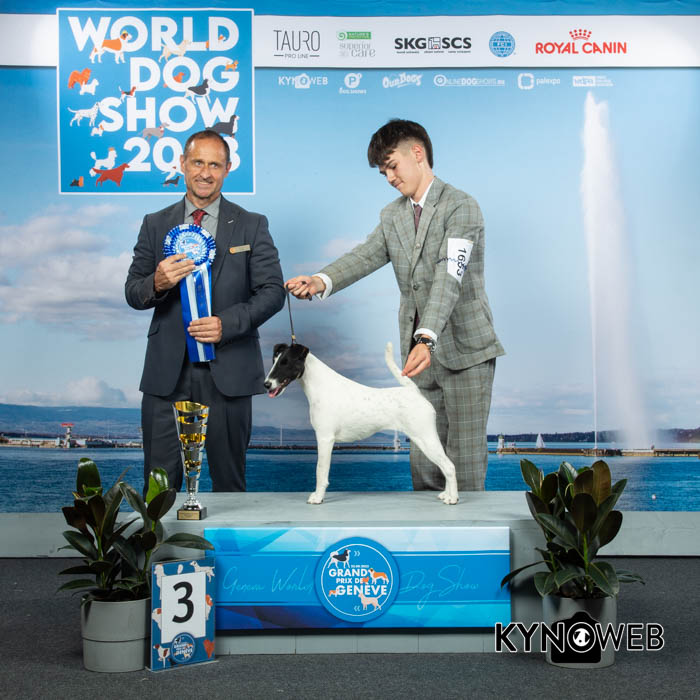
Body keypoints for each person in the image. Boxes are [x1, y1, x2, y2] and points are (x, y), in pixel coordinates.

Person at [287, 119, 504, 491]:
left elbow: (449, 276)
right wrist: (321, 280)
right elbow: (365, 255)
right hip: (417, 358)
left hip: (465, 351)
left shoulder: (462, 207)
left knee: (465, 461)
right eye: (383, 171)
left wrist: (426, 337)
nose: (388, 177)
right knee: (423, 460)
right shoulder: (391, 216)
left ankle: (465, 528)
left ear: (417, 153)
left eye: (392, 165)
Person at [125, 129, 285, 492]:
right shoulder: (154, 223)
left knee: (230, 485)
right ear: (182, 164)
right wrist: (157, 283)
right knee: (158, 489)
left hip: (229, 371)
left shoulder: (252, 224)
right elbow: (133, 291)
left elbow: (273, 292)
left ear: (227, 169)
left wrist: (226, 325)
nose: (205, 173)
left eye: (215, 165)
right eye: (198, 162)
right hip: (167, 374)